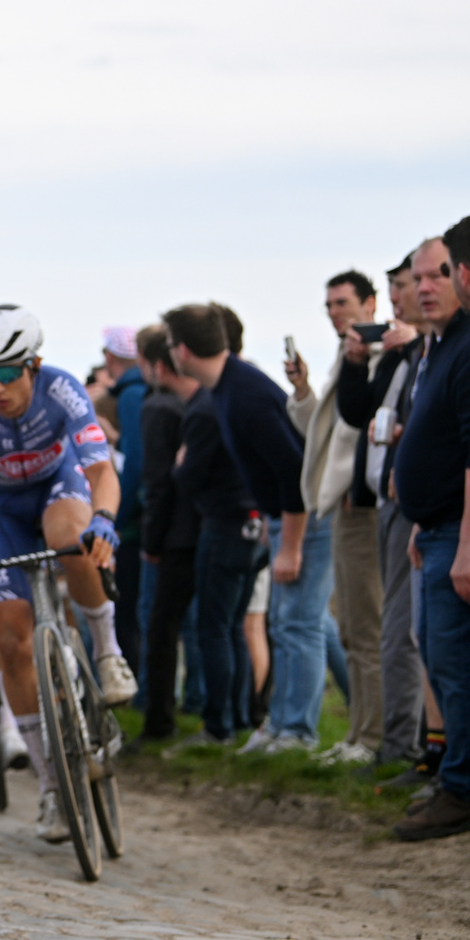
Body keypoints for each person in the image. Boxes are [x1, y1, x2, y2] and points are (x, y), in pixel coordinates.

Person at [0, 306, 136, 844]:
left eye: (7, 373)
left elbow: (100, 472)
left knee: (71, 537)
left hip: (57, 487)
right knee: (12, 642)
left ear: (34, 365)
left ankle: (108, 653)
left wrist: (106, 520)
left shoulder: (63, 391)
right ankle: (51, 788)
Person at [165, 302, 324, 754]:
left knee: (293, 626)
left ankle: (289, 731)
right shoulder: (228, 386)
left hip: (290, 519)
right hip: (270, 520)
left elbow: (294, 469)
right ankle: (269, 724)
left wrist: (289, 544)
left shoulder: (242, 393)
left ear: (181, 350)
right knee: (263, 624)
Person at [388, 214, 470, 840]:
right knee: (441, 656)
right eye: (418, 277)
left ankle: (468, 788)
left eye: (440, 274)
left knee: (458, 662)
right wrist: (425, 524)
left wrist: (468, 540)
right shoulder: (443, 343)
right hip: (438, 527)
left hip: (461, 531)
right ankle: (456, 776)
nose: (427, 286)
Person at [343, 245, 448, 776]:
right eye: (406, 286)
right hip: (391, 499)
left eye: (415, 284)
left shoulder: (439, 347)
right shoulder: (407, 353)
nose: (404, 299)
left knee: (410, 629)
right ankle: (413, 744)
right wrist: (355, 364)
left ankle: (414, 746)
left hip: (422, 505)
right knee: (399, 628)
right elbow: (362, 414)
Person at [287, 269, 384, 766]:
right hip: (345, 505)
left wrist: (359, 488)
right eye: (329, 305)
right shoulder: (346, 357)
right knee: (349, 626)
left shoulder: (380, 353)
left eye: (343, 303)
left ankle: (373, 738)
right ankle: (359, 734)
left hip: (362, 506)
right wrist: (303, 391)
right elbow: (325, 436)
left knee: (367, 626)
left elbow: (368, 433)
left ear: (371, 303)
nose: (334, 312)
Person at [132, 324, 199, 746]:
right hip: (201, 526)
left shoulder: (157, 407)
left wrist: (150, 542)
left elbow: (156, 481)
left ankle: (159, 720)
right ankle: (219, 713)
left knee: (160, 628)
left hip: (174, 535)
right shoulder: (192, 403)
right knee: (211, 626)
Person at [102, 326, 147, 700]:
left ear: (109, 357)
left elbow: (135, 463)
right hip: (140, 519)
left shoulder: (130, 396)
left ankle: (141, 692)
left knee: (130, 611)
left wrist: (114, 517)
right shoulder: (139, 392)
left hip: (133, 524)